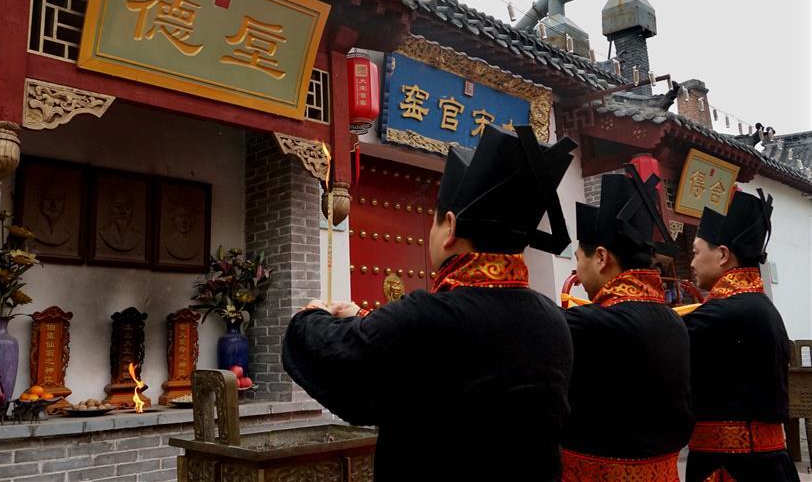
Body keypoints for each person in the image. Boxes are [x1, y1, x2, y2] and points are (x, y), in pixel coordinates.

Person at [282, 125, 577, 482]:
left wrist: (313, 316)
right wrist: (361, 317)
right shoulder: (552, 320)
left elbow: (346, 364)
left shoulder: (428, 317)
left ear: (449, 227)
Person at [562, 166, 693, 480]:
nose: (576, 272)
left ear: (601, 258)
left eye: (578, 259)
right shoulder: (674, 321)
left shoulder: (589, 324)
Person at [684, 189, 800, 481]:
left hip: (733, 467)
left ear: (723, 255)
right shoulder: (761, 307)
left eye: (696, 252)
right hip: (769, 463)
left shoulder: (722, 314)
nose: (692, 263)